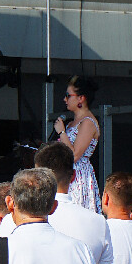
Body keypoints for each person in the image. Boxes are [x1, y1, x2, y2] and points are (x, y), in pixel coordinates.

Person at [54, 75, 101, 213]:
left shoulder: (88, 122)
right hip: (65, 174)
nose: (65, 99)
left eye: (68, 96)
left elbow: (74, 155)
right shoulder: (71, 123)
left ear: (81, 98)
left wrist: (62, 132)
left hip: (78, 175)